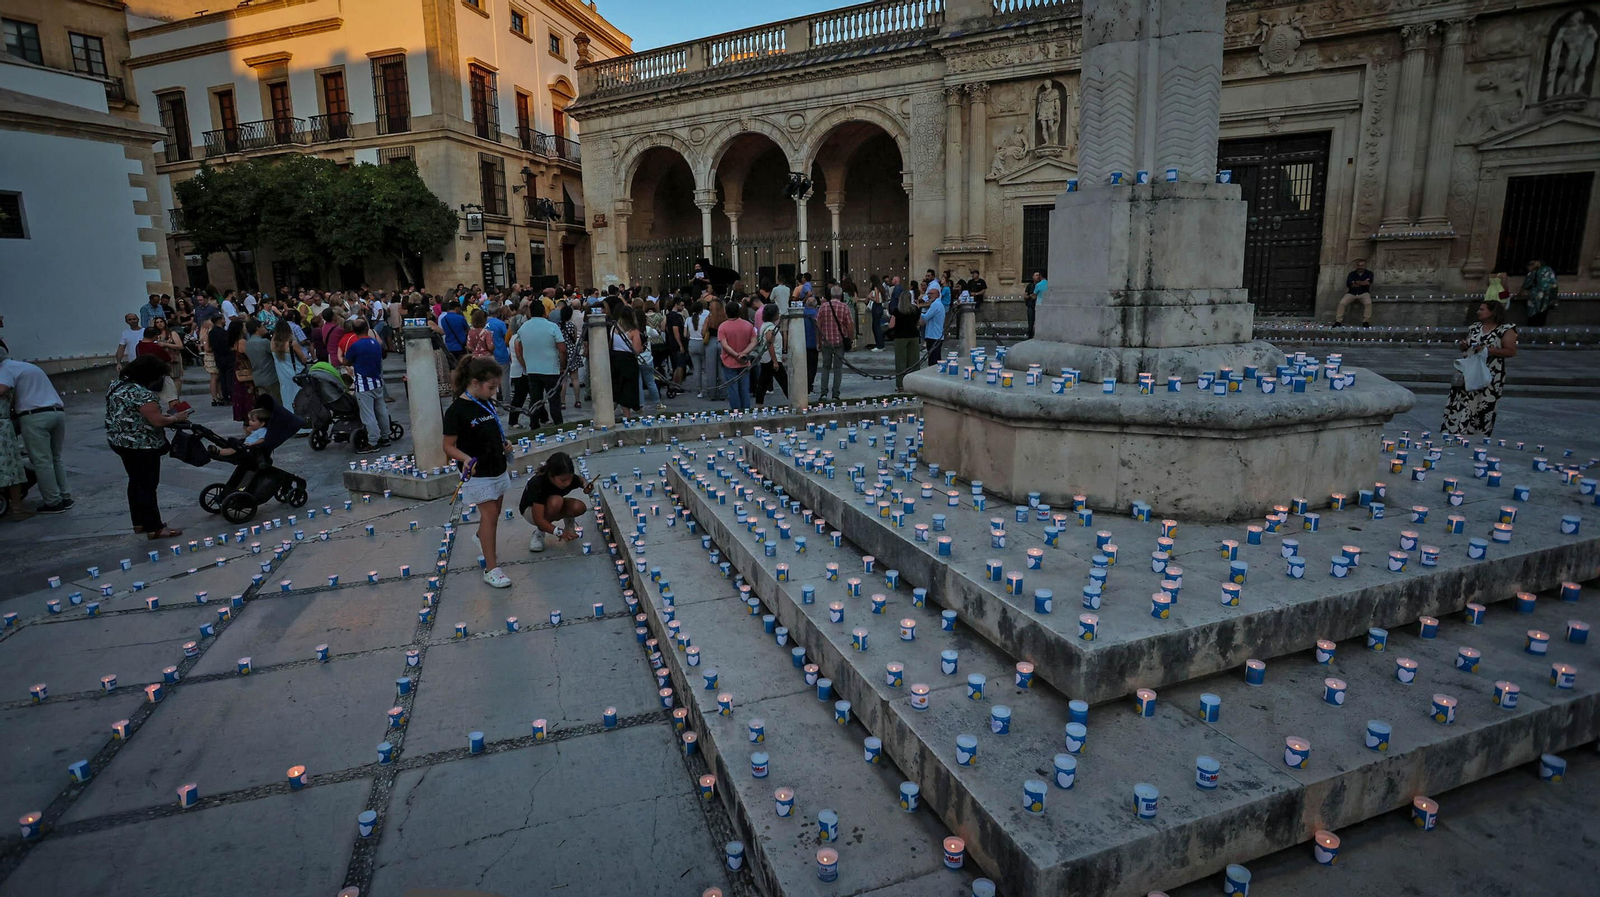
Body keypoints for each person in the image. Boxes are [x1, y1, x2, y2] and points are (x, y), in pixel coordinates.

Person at [443, 358, 514, 587]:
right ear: (475, 382)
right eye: (491, 387)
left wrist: (505, 443)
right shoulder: (456, 411)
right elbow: (448, 446)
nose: (494, 392)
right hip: (477, 473)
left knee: (493, 516)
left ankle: (481, 537)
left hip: (497, 467)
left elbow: (490, 431)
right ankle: (491, 569)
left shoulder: (486, 403)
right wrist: (464, 459)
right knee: (490, 516)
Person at [104, 354, 188, 537]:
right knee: (148, 485)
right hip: (142, 445)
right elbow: (156, 421)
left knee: (135, 481)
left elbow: (135, 415)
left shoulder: (116, 385)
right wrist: (176, 418)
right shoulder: (141, 393)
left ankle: (139, 522)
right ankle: (154, 527)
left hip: (120, 441)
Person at [0, 345, 71, 513]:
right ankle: (65, 496)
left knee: (41, 461)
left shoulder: (4, 369)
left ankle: (53, 502)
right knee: (55, 458)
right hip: (56, 412)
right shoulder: (28, 366)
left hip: (34, 416)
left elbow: (2, 389)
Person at [1442, 300, 1518, 436]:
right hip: (1469, 370)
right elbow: (1467, 345)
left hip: (1490, 372)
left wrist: (1487, 350)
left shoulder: (1505, 329)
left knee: (1482, 402)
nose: (1478, 312)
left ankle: (1476, 433)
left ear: (1493, 312)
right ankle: (1456, 429)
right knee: (1463, 400)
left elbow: (1511, 351)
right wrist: (1464, 346)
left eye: (1482, 309)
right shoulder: (1475, 327)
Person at [516, 451, 592, 552]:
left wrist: (586, 485)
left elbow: (580, 479)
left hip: (551, 504)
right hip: (530, 510)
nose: (567, 483)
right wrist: (559, 532)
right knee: (556, 501)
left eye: (569, 478)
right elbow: (538, 518)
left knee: (578, 507)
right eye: (563, 480)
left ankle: (569, 524)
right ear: (551, 476)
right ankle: (539, 533)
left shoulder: (568, 478)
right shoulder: (539, 484)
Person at [515, 301, 566, 427]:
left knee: (535, 399)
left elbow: (519, 347)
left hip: (532, 369)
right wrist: (562, 366)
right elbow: (562, 349)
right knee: (554, 400)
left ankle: (534, 424)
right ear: (544, 311)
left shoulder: (523, 328)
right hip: (551, 368)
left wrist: (525, 363)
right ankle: (558, 424)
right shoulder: (552, 326)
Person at [344, 319, 391, 452]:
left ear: (354, 331)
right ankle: (386, 436)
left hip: (364, 383)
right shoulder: (375, 343)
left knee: (368, 414)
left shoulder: (356, 346)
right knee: (381, 410)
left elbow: (347, 361)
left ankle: (373, 441)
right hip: (377, 380)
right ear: (367, 328)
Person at [816, 285, 854, 402]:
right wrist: (850, 339)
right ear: (841, 295)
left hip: (827, 341)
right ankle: (835, 394)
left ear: (830, 294)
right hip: (839, 341)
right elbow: (850, 325)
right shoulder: (844, 307)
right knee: (838, 368)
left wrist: (819, 341)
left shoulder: (823, 307)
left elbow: (818, 325)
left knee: (825, 367)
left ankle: (823, 392)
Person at [0, 348, 26, 519]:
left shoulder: (4, 374)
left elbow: (3, 390)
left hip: (2, 427)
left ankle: (17, 508)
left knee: (10, 466)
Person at [718, 300, 756, 410]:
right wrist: (743, 353)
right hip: (744, 361)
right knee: (744, 389)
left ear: (726, 312)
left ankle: (735, 412)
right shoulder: (748, 325)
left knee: (732, 389)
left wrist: (735, 354)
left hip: (729, 361)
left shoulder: (723, 327)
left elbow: (724, 345)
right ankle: (746, 411)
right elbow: (754, 341)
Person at [271, 320, 309, 430]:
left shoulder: (272, 343)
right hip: (296, 375)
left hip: (283, 378)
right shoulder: (292, 343)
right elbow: (303, 359)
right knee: (300, 400)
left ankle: (290, 426)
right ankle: (303, 425)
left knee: (287, 401)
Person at [608, 307, 642, 417]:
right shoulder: (634, 331)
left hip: (615, 359)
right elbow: (636, 350)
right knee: (627, 389)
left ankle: (608, 414)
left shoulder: (613, 328)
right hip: (628, 360)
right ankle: (627, 416)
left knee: (616, 387)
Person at [753, 302, 788, 405]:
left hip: (767, 358)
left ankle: (759, 404)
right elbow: (770, 344)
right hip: (772, 359)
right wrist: (775, 361)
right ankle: (794, 402)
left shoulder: (765, 325)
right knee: (784, 381)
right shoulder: (770, 328)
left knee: (763, 383)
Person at [890, 285, 920, 390]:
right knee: (913, 362)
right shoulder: (915, 310)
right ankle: (913, 384)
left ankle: (901, 385)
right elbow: (919, 322)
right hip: (913, 336)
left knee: (901, 362)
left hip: (900, 337)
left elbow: (891, 325)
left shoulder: (897, 311)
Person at [245, 319, 280, 407]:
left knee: (265, 405)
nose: (265, 328)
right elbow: (276, 354)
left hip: (258, 378)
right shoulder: (264, 342)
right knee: (276, 403)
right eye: (263, 326)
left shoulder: (248, 343)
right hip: (270, 377)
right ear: (257, 328)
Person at [699, 299, 727, 400]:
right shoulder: (725, 317)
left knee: (710, 370)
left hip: (711, 342)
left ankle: (712, 393)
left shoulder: (709, 318)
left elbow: (703, 332)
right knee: (722, 369)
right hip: (723, 343)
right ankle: (723, 392)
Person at [1334, 259, 1374, 327]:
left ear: (1365, 266)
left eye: (1362, 265)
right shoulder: (1352, 274)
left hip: (1363, 293)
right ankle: (1338, 321)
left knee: (1368, 303)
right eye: (1359, 265)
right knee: (1342, 303)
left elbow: (1367, 283)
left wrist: (1355, 282)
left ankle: (1366, 321)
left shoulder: (1369, 273)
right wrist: (1362, 282)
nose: (1360, 267)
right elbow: (1349, 284)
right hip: (1352, 293)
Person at [1520, 258, 1558, 326]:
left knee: (1533, 314)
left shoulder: (1534, 271)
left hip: (1536, 296)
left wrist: (1520, 293)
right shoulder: (1550, 270)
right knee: (1543, 314)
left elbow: (1527, 284)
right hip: (1548, 296)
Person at [560, 305, 584, 410]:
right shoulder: (572, 325)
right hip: (572, 351)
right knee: (575, 378)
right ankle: (578, 400)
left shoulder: (558, 326)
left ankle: (562, 402)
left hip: (562, 352)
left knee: (563, 380)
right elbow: (574, 338)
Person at [919, 284, 947, 363]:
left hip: (934, 336)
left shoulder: (936, 304)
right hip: (936, 335)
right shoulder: (937, 304)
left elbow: (925, 317)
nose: (929, 296)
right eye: (928, 294)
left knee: (933, 359)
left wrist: (917, 311)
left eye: (931, 294)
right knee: (936, 358)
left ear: (937, 295)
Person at [1025, 271, 1046, 339]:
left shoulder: (1039, 285)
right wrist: (1030, 296)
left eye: (1038, 275)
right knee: (1031, 322)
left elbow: (1034, 296)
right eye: (1036, 275)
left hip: (1038, 305)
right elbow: (1025, 296)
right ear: (1033, 277)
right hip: (1031, 306)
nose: (1038, 277)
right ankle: (1030, 335)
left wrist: (1033, 295)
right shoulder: (1029, 285)